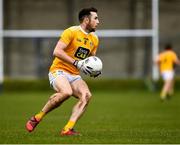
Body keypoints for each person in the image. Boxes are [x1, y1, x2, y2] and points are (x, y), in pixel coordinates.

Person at [25, 7, 100, 136]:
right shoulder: (71, 32)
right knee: (66, 92)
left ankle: (67, 129)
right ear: (86, 20)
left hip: (74, 75)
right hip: (58, 71)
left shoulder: (94, 39)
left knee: (87, 96)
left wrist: (94, 70)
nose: (98, 21)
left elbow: (90, 60)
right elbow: (57, 51)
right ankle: (37, 117)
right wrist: (76, 63)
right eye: (95, 18)